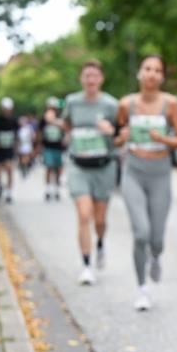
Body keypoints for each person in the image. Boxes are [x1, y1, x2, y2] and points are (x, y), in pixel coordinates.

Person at [115, 55, 177, 310]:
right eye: (147, 69)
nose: (152, 74)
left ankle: (155, 256)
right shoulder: (126, 104)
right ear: (139, 73)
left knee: (156, 238)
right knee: (141, 232)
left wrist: (164, 139)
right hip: (134, 171)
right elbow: (115, 138)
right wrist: (120, 136)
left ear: (162, 77)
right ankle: (142, 288)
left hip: (160, 173)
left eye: (158, 70)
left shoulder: (170, 104)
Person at [62, 60, 120, 286]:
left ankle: (101, 242)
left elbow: (121, 133)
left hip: (104, 166)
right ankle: (86, 265)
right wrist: (75, 137)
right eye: (87, 76)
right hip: (79, 165)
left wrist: (111, 131)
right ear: (81, 79)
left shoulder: (111, 105)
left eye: (95, 76)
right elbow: (67, 124)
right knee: (83, 215)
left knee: (99, 219)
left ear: (101, 79)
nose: (91, 80)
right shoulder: (72, 102)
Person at [39, 97, 66, 201]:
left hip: (59, 147)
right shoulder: (43, 119)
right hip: (48, 147)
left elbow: (65, 130)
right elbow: (40, 133)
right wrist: (39, 146)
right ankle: (48, 189)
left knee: (58, 168)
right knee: (49, 168)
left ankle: (56, 189)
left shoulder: (60, 118)